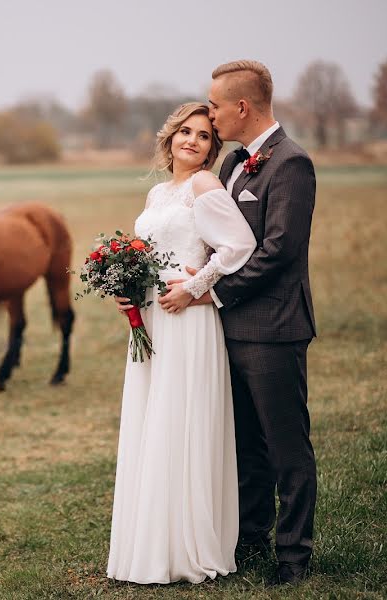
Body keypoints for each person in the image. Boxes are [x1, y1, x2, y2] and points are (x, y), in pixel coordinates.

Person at [159, 60, 318, 586]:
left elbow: (277, 251)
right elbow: (210, 239)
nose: (212, 114)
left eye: (217, 106)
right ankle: (250, 539)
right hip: (225, 329)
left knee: (284, 444)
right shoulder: (230, 166)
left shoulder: (292, 164)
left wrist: (209, 293)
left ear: (242, 107)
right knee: (244, 444)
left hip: (273, 328)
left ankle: (293, 556)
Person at [107, 102, 256, 584]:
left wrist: (195, 290)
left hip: (186, 318)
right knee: (153, 417)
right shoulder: (156, 194)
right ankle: (150, 542)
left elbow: (239, 246)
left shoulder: (204, 186)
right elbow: (147, 252)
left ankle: (187, 546)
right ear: (170, 138)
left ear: (213, 148)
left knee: (181, 417)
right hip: (151, 314)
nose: (193, 141)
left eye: (205, 136)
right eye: (185, 132)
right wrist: (127, 287)